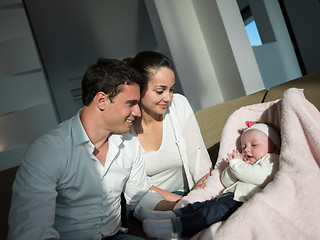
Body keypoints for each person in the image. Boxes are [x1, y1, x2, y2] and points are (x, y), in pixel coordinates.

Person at [8, 58, 169, 240]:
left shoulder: (129, 141)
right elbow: (32, 232)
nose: (138, 112)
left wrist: (185, 205)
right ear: (102, 100)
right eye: (131, 103)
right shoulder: (48, 151)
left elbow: (140, 196)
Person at [138, 122, 281, 239]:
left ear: (273, 146)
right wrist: (232, 167)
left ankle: (173, 228)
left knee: (208, 214)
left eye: (254, 145)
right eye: (243, 147)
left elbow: (259, 176)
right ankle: (168, 215)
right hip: (226, 197)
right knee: (200, 206)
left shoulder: (272, 160)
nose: (246, 150)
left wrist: (237, 165)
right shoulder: (243, 165)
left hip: (240, 201)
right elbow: (226, 181)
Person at [126, 51, 212, 205]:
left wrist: (206, 192)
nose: (168, 97)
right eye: (160, 91)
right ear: (138, 89)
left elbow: (198, 157)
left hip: (190, 193)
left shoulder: (178, 105)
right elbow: (136, 189)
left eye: (171, 89)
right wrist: (183, 202)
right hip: (149, 202)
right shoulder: (124, 127)